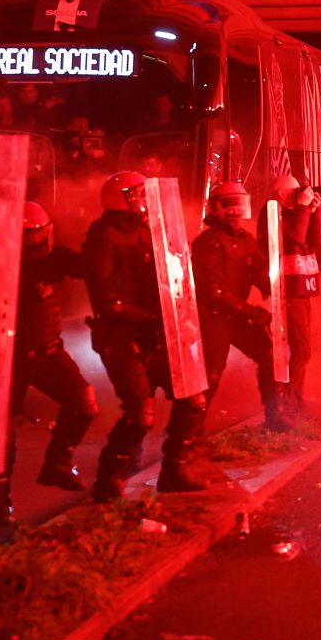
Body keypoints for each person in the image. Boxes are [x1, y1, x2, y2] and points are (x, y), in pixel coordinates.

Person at [84, 171, 209, 501]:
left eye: (144, 195)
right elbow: (108, 299)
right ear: (118, 198)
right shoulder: (104, 236)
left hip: (157, 331)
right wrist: (151, 316)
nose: (142, 201)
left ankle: (175, 470)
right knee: (139, 413)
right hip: (122, 336)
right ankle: (108, 483)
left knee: (192, 397)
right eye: (135, 195)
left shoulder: (149, 231)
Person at [0, 201, 101, 524]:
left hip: (49, 352)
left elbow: (92, 266)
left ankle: (58, 463)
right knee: (3, 433)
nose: (35, 241)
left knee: (84, 403)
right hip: (7, 359)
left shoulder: (55, 259)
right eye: (28, 235)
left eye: (39, 233)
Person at [192, 181, 291, 432]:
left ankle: (274, 416)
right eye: (229, 204)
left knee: (269, 355)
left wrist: (273, 288)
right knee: (211, 375)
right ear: (216, 207)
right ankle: (191, 432)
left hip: (236, 315)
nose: (236, 211)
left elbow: (258, 272)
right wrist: (251, 311)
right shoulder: (207, 242)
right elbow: (214, 291)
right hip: (213, 316)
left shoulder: (246, 240)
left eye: (240, 204)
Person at [263, 175, 321, 418]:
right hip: (288, 290)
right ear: (280, 193)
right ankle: (290, 400)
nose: (301, 193)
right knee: (301, 346)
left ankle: (294, 398)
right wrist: (302, 208)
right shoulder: (273, 214)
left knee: (303, 347)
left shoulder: (299, 212)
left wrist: (314, 211)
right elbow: (296, 237)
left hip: (302, 287)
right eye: (295, 191)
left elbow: (316, 241)